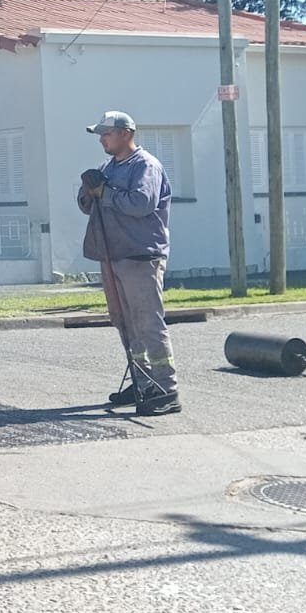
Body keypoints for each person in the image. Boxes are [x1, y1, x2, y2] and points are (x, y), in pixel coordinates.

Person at [78, 110, 178, 416]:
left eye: (107, 134)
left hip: (140, 256)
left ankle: (166, 389)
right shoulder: (108, 167)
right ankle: (142, 381)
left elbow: (141, 204)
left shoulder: (145, 166)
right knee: (125, 322)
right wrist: (86, 192)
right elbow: (88, 205)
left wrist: (105, 192)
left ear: (126, 133)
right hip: (114, 255)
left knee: (148, 322)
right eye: (100, 135)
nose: (102, 140)